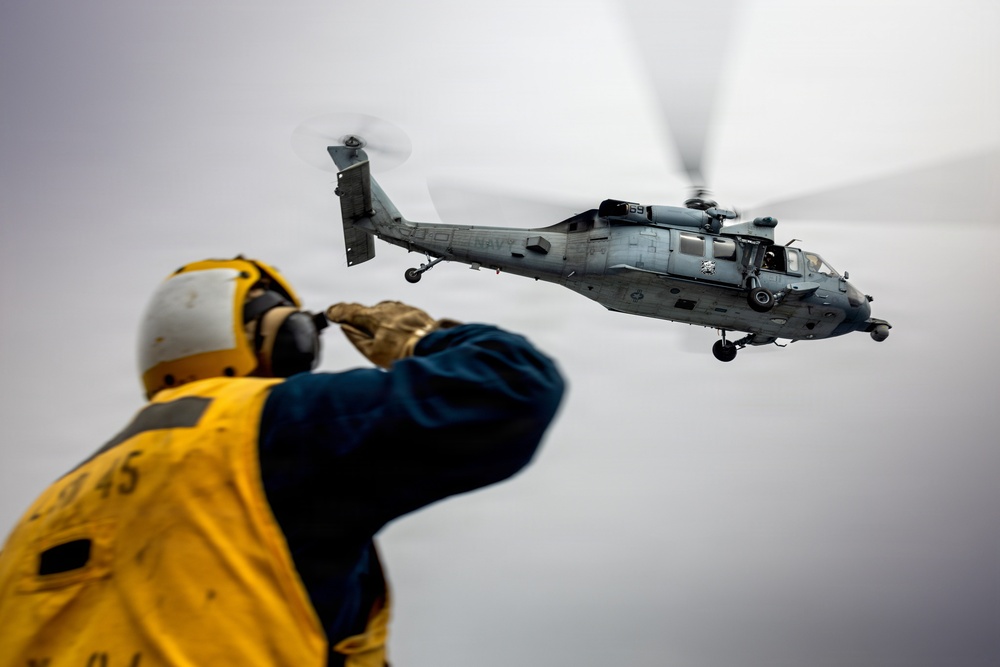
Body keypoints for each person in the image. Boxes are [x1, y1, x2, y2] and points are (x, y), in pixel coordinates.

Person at [0, 256, 565, 667]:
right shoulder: (268, 427)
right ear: (282, 342)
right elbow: (512, 385)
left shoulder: (42, 514)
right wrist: (416, 339)